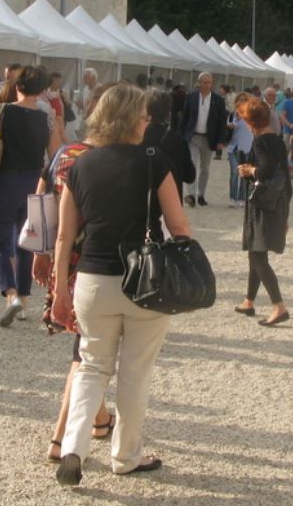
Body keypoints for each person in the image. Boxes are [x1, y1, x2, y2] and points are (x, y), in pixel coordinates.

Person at [51, 84, 194, 485]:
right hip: (144, 281)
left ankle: (74, 447)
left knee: (92, 366)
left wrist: (60, 289)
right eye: (145, 116)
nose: (148, 122)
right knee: (135, 372)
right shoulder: (154, 159)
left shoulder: (80, 165)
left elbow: (64, 236)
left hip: (93, 279)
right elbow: (178, 224)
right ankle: (125, 456)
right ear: (132, 118)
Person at [33, 82, 115, 463]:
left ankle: (99, 420)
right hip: (92, 266)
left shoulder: (65, 154)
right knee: (84, 355)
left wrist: (40, 253)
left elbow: (42, 200)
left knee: (86, 350)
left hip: (63, 262)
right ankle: (59, 437)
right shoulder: (111, 162)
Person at [0, 65, 60, 326]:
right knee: (26, 242)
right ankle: (24, 301)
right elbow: (55, 155)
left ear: (17, 86)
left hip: (5, 180)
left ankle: (10, 295)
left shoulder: (2, 111)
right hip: (34, 182)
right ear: (42, 90)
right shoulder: (48, 118)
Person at [233, 97, 293, 326]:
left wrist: (250, 170)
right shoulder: (277, 140)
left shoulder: (261, 142)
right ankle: (249, 301)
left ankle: (279, 307)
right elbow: (286, 180)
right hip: (277, 202)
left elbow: (266, 170)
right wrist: (286, 212)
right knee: (255, 253)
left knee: (258, 255)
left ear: (251, 121)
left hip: (263, 205)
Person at [180, 72, 227, 207]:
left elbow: (221, 121)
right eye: (205, 82)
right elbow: (184, 118)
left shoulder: (218, 100)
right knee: (192, 165)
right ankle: (191, 194)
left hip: (209, 138)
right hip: (193, 137)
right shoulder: (191, 97)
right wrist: (180, 136)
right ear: (199, 83)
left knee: (205, 168)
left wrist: (221, 140)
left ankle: (201, 194)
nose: (207, 85)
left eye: (209, 82)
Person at [143, 89, 195, 198]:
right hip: (171, 200)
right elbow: (190, 176)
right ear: (168, 112)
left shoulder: (137, 137)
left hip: (142, 199)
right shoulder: (178, 141)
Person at [226, 93, 255, 207]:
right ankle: (233, 197)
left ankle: (242, 198)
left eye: (245, 100)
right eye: (240, 101)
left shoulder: (252, 114)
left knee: (244, 174)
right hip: (234, 148)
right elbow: (229, 125)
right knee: (234, 173)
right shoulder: (233, 114)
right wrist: (234, 121)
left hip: (247, 148)